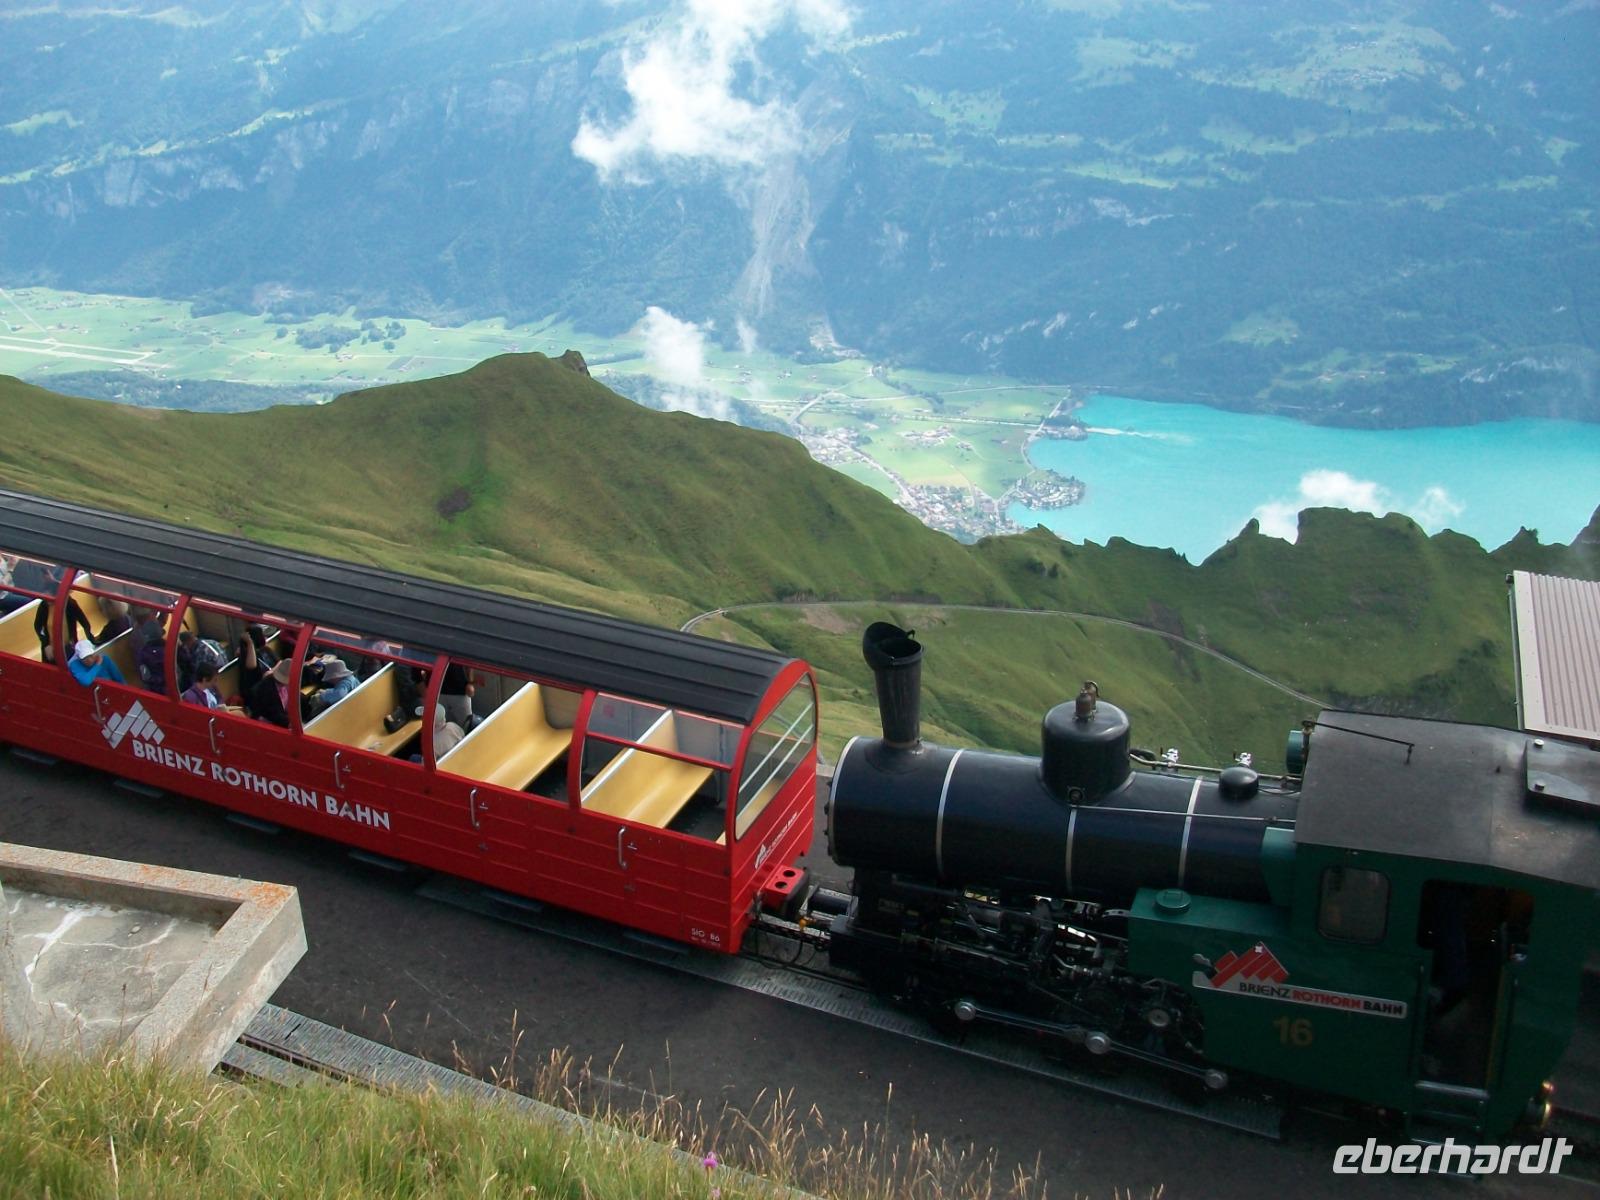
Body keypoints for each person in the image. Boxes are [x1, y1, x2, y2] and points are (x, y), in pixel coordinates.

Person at [249, 658, 308, 728]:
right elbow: (274, 714)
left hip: (283, 717)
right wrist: (292, 724)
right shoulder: (267, 688)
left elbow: (297, 698)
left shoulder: (286, 685)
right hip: (266, 723)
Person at [440, 661, 477, 730]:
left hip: (460, 690)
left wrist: (470, 683)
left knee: (466, 725)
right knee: (441, 726)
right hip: (438, 691)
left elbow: (469, 661)